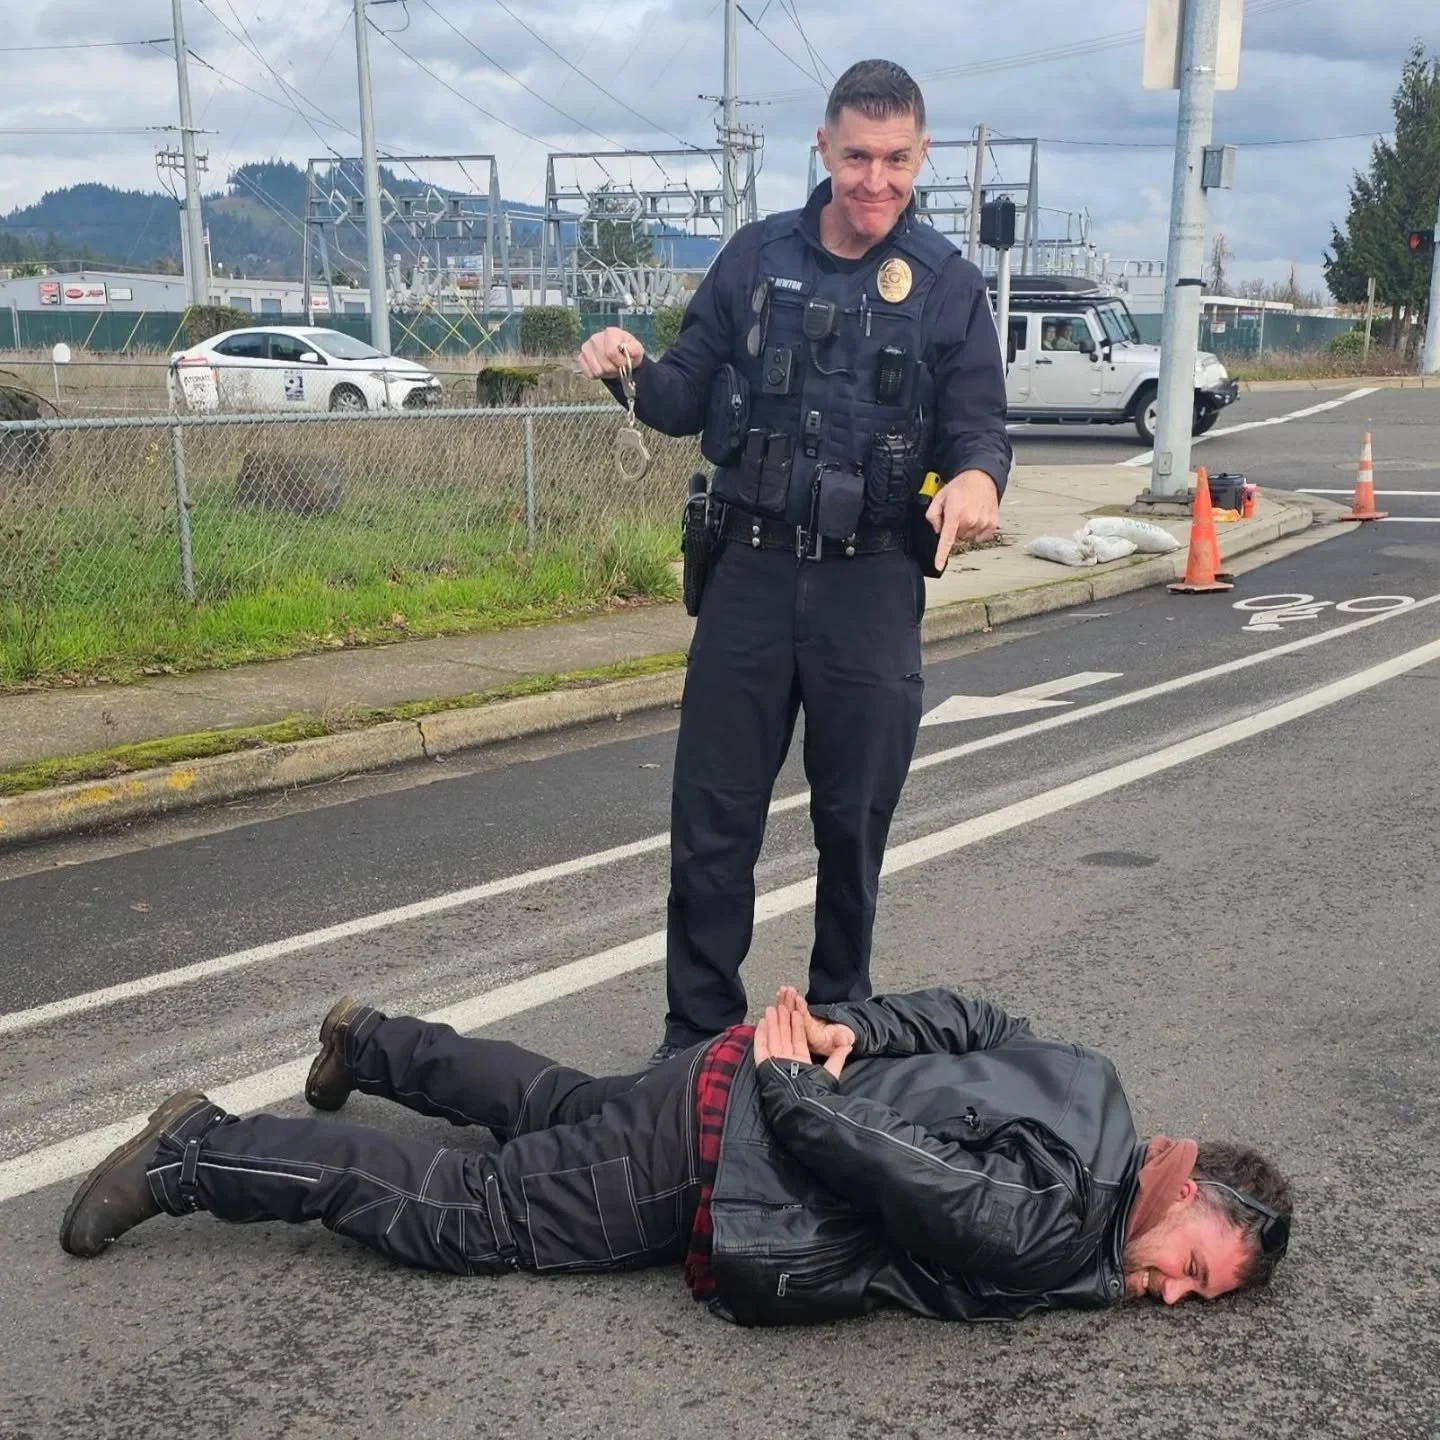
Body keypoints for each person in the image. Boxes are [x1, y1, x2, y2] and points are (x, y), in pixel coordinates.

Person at [577, 60, 1012, 1066]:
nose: (875, 180)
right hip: (753, 576)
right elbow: (683, 396)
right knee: (713, 822)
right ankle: (694, 1047)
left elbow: (981, 428)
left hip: (870, 585)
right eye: (857, 156)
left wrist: (979, 483)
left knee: (853, 826)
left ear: (921, 155)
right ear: (822, 148)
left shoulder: (947, 286)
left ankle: (833, 1030)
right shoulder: (751, 259)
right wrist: (629, 367)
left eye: (896, 159)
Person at [61, 987, 1294, 1326]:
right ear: (1184, 1191)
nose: (1170, 1294)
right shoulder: (1056, 1229)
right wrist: (786, 1082)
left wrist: (845, 1029)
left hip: (730, 1082)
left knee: (560, 1107)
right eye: (1192, 1264)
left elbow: (973, 1020)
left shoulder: (1096, 1091)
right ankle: (193, 1151)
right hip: (733, 1147)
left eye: (1196, 1296)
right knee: (473, 1211)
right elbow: (899, 1174)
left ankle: (371, 1041)